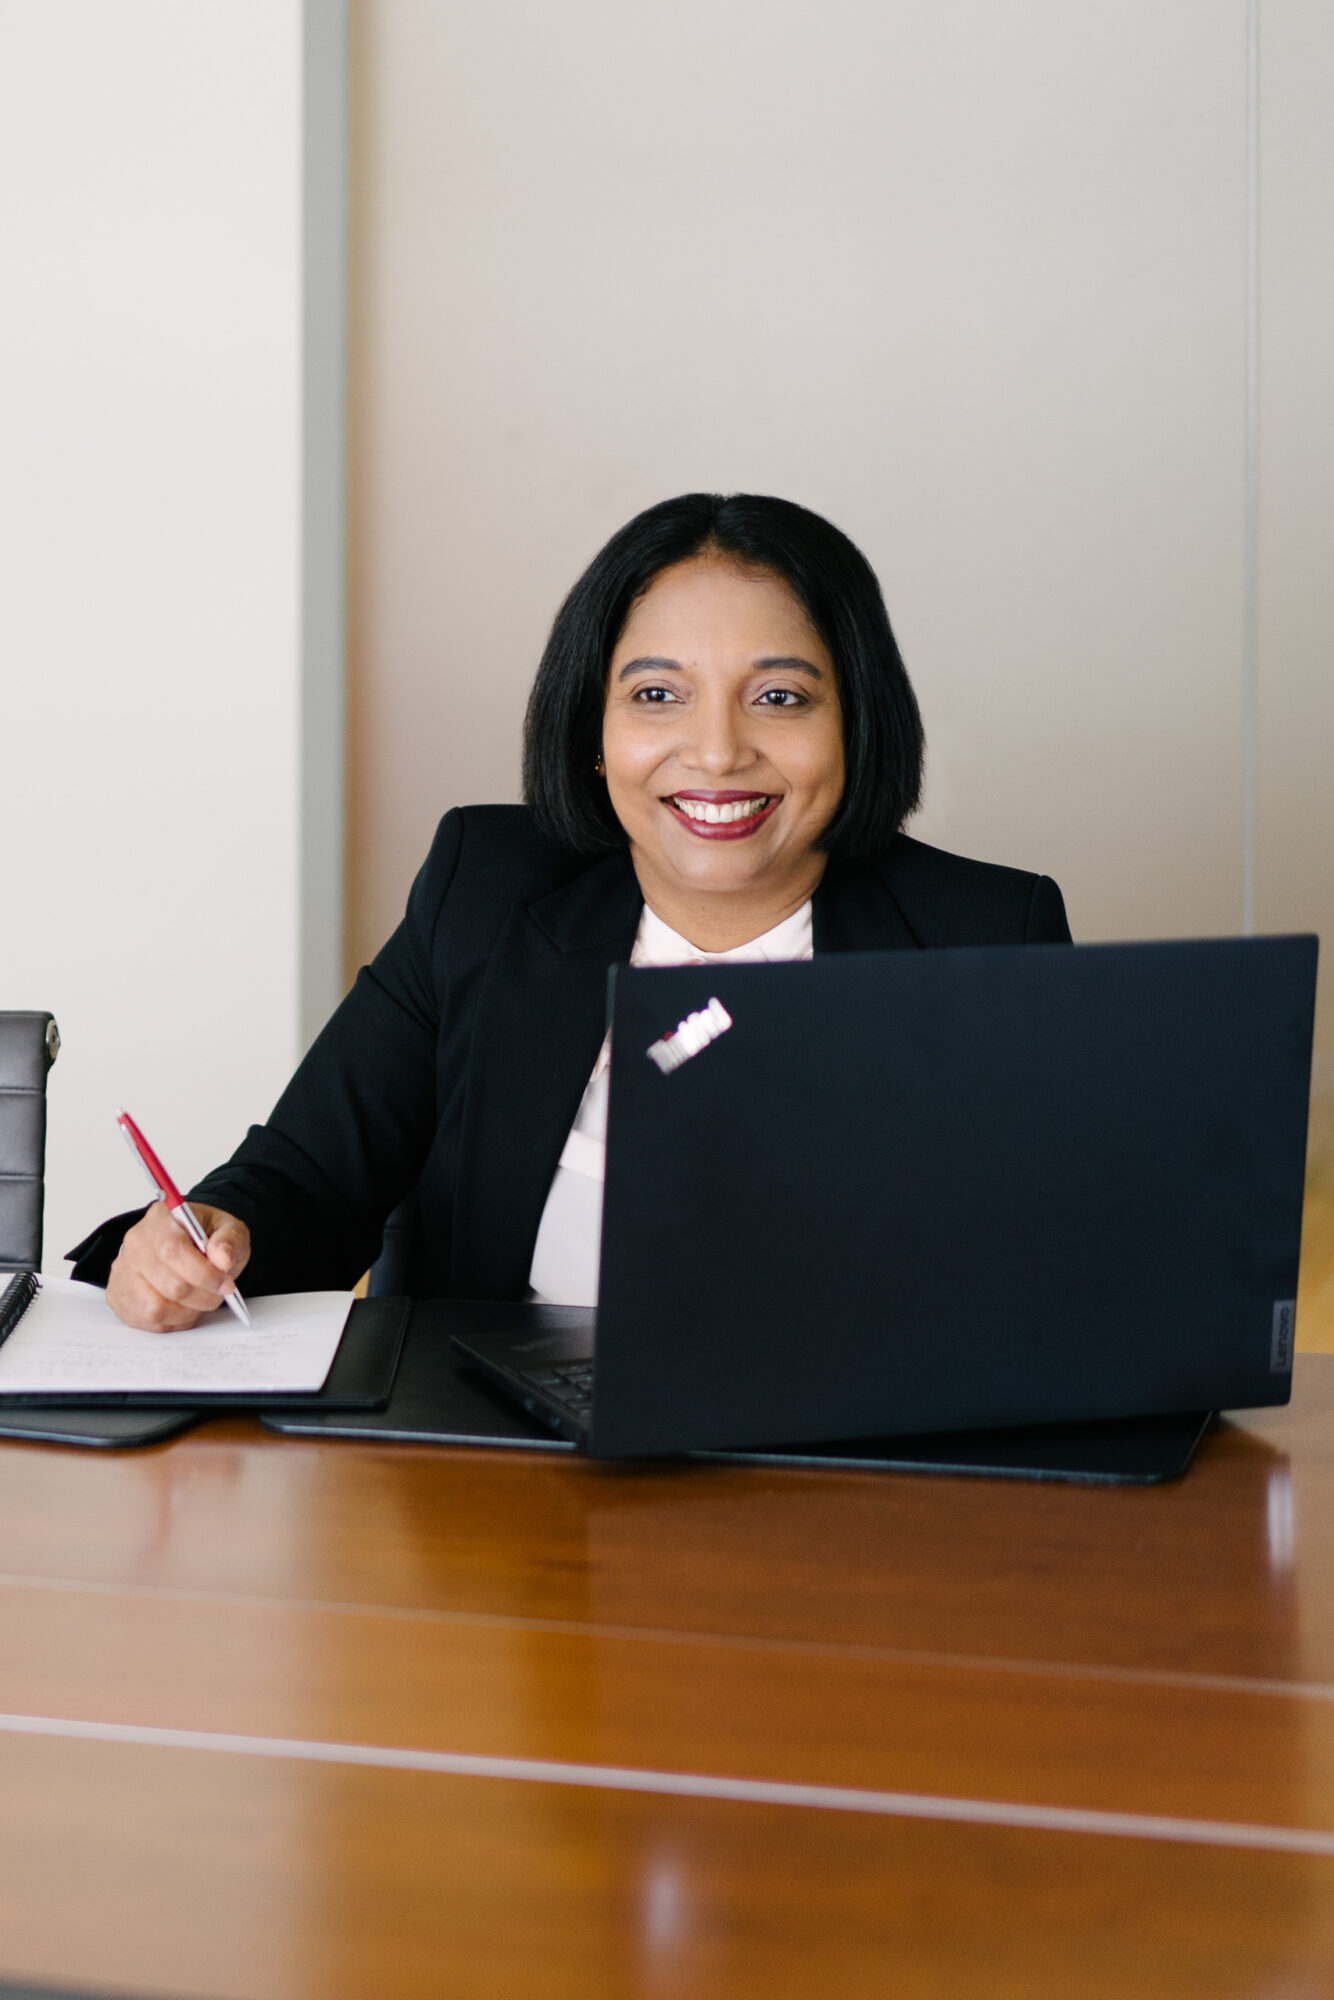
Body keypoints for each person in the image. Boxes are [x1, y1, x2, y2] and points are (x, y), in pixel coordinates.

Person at [71, 492, 1071, 1329]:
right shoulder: (488, 891)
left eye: (777, 697)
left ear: (856, 723)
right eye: (654, 695)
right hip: (513, 1496)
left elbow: (1060, 1283)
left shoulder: (986, 933)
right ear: (591, 731)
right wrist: (196, 1238)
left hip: (850, 1492)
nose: (716, 751)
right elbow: (306, 1179)